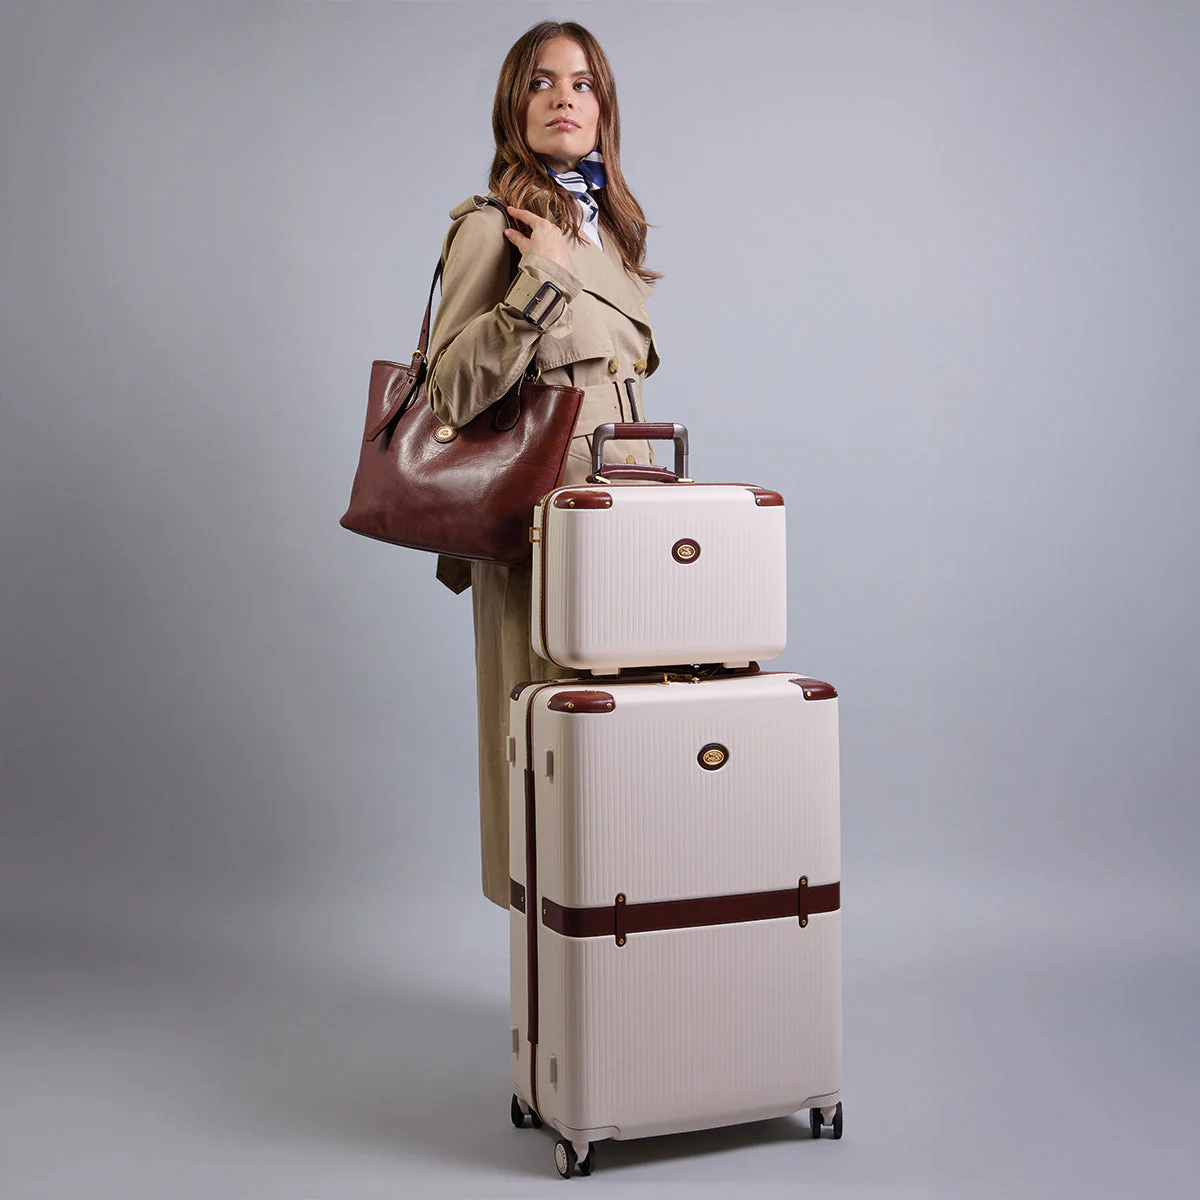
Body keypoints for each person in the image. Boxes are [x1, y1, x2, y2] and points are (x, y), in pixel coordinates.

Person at [425, 20, 664, 909]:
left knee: (619, 762)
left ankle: (617, 957)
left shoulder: (612, 238)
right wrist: (543, 281)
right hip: (540, 536)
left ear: (604, 108)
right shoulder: (492, 230)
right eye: (541, 82)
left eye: (582, 82)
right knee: (549, 766)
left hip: (630, 528)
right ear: (512, 106)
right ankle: (553, 980)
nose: (564, 97)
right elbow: (450, 390)